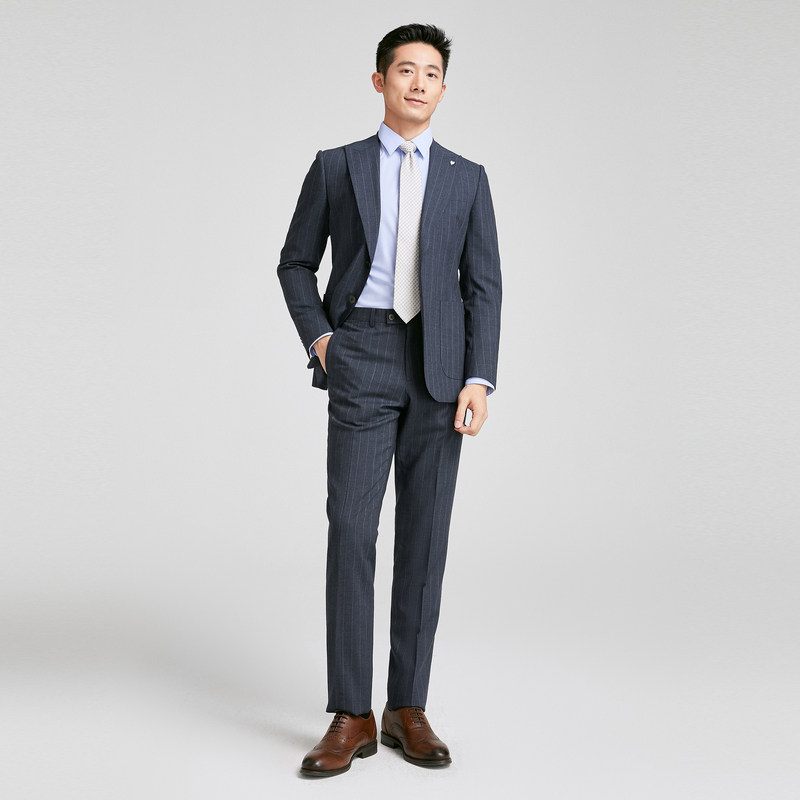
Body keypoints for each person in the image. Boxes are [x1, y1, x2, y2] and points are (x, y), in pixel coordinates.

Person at [277, 22, 502, 777]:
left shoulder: (468, 178)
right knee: (351, 528)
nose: (418, 83)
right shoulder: (337, 166)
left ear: (443, 88)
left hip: (441, 365)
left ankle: (408, 707)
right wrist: (323, 340)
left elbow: (485, 286)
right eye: (405, 70)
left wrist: (479, 377)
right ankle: (352, 712)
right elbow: (295, 262)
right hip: (363, 351)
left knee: (425, 537)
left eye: (431, 73)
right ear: (380, 81)